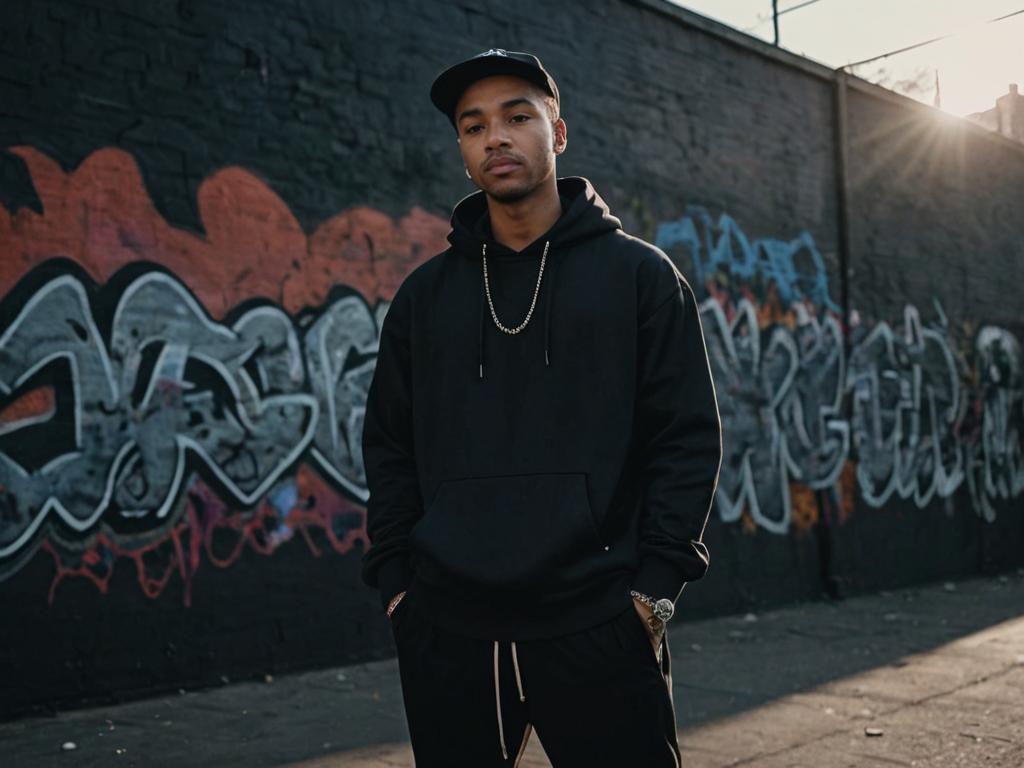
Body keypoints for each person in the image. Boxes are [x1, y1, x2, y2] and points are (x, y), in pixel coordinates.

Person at [360, 48, 722, 768]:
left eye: (517, 116)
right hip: (450, 627)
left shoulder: (640, 278)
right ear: (462, 149)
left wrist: (655, 591)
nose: (496, 136)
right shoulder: (424, 298)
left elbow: (685, 438)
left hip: (598, 620)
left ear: (558, 134)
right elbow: (388, 445)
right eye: (474, 125)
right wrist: (400, 587)